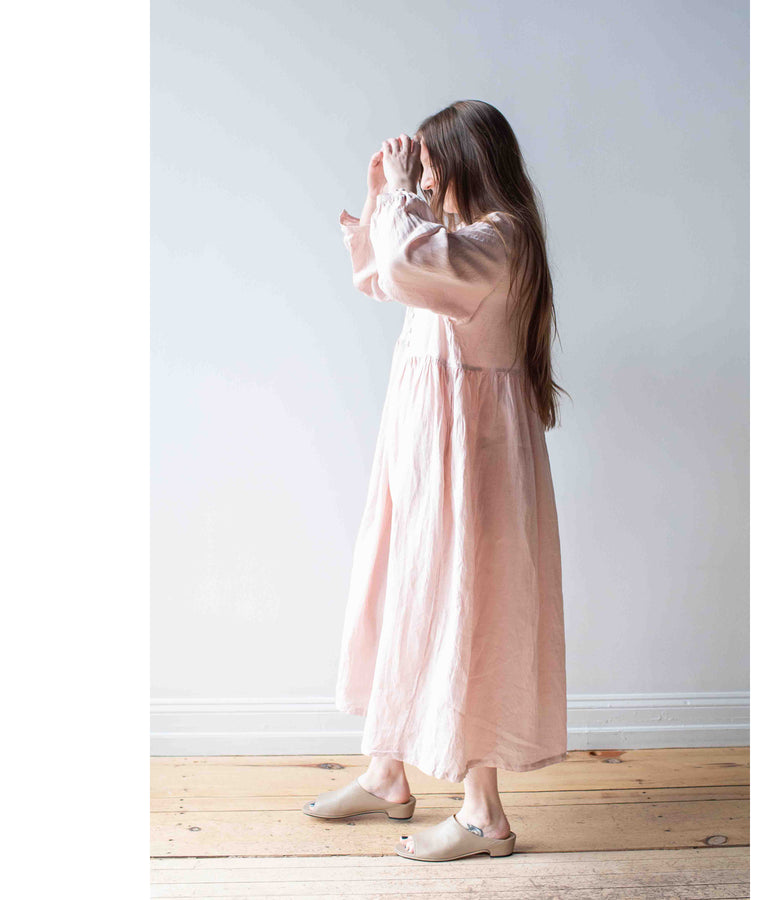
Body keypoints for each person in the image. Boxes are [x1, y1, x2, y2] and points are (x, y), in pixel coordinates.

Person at [304, 100, 569, 862]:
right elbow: (381, 274)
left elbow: (403, 262)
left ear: (465, 164)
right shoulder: (457, 241)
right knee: (407, 591)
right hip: (425, 457)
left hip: (474, 462)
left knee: (471, 609)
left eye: (430, 168)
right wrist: (386, 194)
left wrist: (398, 195)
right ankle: (388, 773)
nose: (422, 181)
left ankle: (486, 816)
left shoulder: (500, 241)